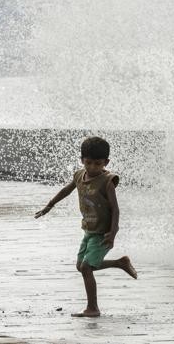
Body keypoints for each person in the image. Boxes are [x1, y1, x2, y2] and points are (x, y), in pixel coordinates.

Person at [35, 136, 137, 317]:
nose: (92, 167)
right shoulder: (79, 175)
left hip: (103, 233)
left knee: (86, 268)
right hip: (88, 230)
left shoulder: (107, 181)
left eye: (98, 164)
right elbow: (67, 190)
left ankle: (93, 308)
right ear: (82, 160)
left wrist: (113, 232)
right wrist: (49, 205)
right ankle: (120, 263)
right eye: (88, 163)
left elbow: (115, 209)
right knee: (81, 266)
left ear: (106, 162)